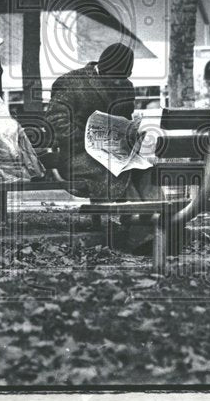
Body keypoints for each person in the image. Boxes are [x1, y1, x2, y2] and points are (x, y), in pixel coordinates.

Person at [45, 42, 164, 252]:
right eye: (116, 77)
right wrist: (90, 139)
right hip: (78, 156)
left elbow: (125, 120)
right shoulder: (71, 82)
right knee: (119, 170)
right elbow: (56, 122)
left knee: (147, 171)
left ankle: (163, 226)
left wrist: (131, 136)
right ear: (104, 67)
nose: (119, 82)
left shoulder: (126, 86)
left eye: (123, 77)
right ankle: (143, 237)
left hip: (116, 154)